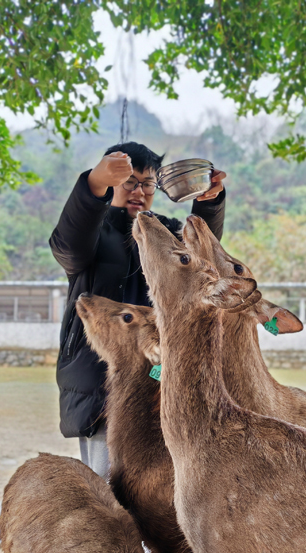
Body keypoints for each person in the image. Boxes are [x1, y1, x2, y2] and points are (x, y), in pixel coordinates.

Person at [49, 142, 226, 478]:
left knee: (165, 491)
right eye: (129, 181)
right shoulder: (92, 234)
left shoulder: (166, 233)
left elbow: (201, 258)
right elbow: (68, 243)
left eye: (148, 184)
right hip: (99, 387)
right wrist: (93, 183)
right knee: (109, 489)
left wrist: (209, 204)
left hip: (163, 382)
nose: (139, 191)